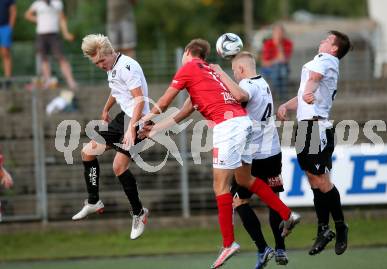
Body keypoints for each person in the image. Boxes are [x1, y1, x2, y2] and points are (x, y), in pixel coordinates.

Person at [137, 39, 300, 269]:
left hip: (228, 128)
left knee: (220, 187)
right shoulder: (211, 73)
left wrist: (143, 119)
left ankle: (228, 243)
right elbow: (183, 112)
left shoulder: (189, 68)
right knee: (244, 179)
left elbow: (165, 101)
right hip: (243, 124)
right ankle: (287, 214)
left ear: (187, 53)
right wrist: (153, 129)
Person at [210, 51, 290, 269]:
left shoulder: (247, 85)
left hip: (252, 156)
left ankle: (263, 248)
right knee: (274, 198)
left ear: (242, 70)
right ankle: (280, 247)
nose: (234, 75)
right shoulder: (263, 82)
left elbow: (240, 97)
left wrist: (220, 74)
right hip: (272, 151)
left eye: (235, 71)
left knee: (239, 201)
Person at [277, 30, 351, 256]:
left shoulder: (326, 59)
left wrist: (308, 92)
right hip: (305, 127)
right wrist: (287, 105)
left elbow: (312, 82)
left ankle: (339, 226)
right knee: (312, 178)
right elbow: (305, 92)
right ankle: (324, 230)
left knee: (322, 179)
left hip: (316, 127)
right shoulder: (321, 61)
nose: (322, 41)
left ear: (334, 48)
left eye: (327, 40)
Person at [72, 34, 149, 240]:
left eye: (101, 61)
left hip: (139, 119)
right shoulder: (113, 67)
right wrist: (106, 109)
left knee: (118, 167)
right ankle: (94, 201)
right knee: (87, 153)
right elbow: (116, 90)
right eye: (96, 63)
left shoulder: (126, 66)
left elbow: (139, 100)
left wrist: (131, 129)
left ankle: (139, 213)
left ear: (110, 53)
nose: (100, 65)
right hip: (124, 117)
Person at [25, 0, 77, 90]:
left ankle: (71, 81)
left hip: (54, 35)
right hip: (41, 34)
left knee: (61, 57)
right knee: (43, 58)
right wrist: (38, 20)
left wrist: (66, 33)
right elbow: (27, 15)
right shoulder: (37, 4)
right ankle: (48, 81)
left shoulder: (57, 3)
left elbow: (62, 19)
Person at [260, 24, 293, 101]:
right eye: (277, 33)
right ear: (273, 33)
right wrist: (276, 61)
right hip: (269, 68)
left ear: (283, 34)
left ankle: (274, 95)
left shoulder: (288, 43)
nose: (279, 35)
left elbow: (284, 60)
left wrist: (279, 45)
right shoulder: (267, 44)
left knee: (281, 69)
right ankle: (282, 96)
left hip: (283, 67)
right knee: (280, 71)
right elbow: (264, 63)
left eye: (280, 33)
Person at [0, 0, 16, 89]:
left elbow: (13, 11)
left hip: (5, 27)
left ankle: (7, 80)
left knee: (5, 53)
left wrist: (10, 28)